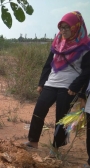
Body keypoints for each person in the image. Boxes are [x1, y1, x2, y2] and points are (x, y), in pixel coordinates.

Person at [24, 11, 90, 157]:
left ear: (76, 27)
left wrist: (76, 87)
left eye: (67, 27)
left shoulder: (85, 46)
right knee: (39, 110)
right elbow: (48, 65)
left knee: (61, 117)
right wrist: (42, 83)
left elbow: (87, 71)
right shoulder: (57, 42)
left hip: (68, 88)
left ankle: (56, 147)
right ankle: (33, 141)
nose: (63, 31)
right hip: (51, 83)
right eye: (61, 28)